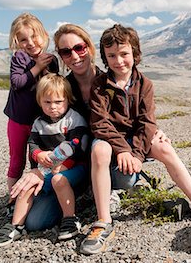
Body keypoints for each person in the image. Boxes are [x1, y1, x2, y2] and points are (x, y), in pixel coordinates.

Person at [9, 24, 168, 231]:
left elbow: (136, 115)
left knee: (125, 177)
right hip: (67, 166)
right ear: (61, 56)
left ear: (90, 48)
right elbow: (40, 129)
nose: (74, 56)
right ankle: (79, 193)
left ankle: (104, 191)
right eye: (66, 52)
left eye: (79, 48)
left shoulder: (110, 82)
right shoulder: (61, 91)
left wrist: (156, 131)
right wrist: (36, 169)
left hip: (105, 160)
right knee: (36, 222)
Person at [79, 24, 191, 255]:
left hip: (135, 141)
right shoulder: (100, 85)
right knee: (99, 151)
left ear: (135, 54)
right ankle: (103, 221)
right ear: (105, 58)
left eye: (124, 54)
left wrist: (137, 153)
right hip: (110, 140)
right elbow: (99, 123)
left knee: (165, 148)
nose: (118, 61)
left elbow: (147, 123)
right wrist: (123, 151)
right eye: (111, 56)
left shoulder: (145, 84)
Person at [0, 74, 88, 247]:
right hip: (48, 168)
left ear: (68, 99)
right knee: (28, 184)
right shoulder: (38, 123)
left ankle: (70, 219)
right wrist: (38, 155)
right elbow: (33, 144)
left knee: (59, 180)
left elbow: (78, 146)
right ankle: (16, 225)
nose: (53, 107)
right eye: (47, 102)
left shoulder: (74, 119)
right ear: (40, 101)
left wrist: (66, 164)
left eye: (58, 102)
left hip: (73, 169)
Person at [3, 12, 58, 215]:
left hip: (39, 122)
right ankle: (12, 199)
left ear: (43, 35)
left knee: (37, 159)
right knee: (17, 160)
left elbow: (54, 86)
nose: (30, 42)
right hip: (18, 120)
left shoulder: (51, 60)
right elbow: (17, 83)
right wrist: (37, 67)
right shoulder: (20, 57)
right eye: (23, 39)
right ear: (16, 42)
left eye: (34, 36)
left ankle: (35, 195)